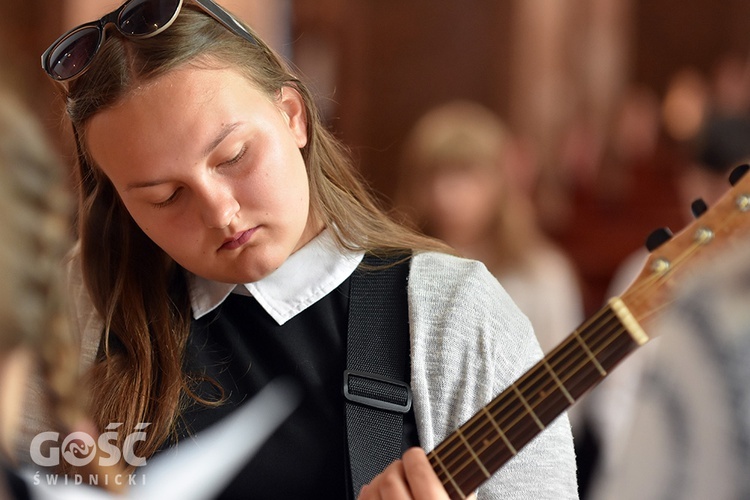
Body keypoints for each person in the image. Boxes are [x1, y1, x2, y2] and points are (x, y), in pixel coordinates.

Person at [38, 1, 578, 499]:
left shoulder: (452, 315)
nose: (220, 212)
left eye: (233, 157)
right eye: (165, 196)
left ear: (293, 115)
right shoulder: (84, 303)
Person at [396, 100, 584, 353]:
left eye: (464, 173)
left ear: (499, 182)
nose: (445, 192)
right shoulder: (399, 267)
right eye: (434, 174)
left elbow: (564, 375)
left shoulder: (542, 274)